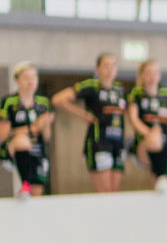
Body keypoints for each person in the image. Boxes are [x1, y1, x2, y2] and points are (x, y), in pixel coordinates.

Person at [52, 53, 129, 193]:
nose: (110, 69)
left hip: (117, 143)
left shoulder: (119, 89)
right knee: (105, 192)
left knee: (115, 191)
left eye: (113, 65)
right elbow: (58, 99)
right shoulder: (91, 86)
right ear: (97, 69)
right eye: (106, 65)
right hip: (99, 142)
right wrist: (83, 114)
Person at [127, 60, 167, 192]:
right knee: (156, 138)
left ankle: (162, 179)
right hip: (144, 145)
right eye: (149, 73)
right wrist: (149, 133)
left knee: (161, 184)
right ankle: (162, 176)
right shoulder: (136, 94)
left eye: (155, 72)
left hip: (165, 144)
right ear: (142, 75)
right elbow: (133, 119)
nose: (152, 76)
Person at [0, 62, 54, 198]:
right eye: (26, 78)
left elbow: (47, 137)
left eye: (34, 77)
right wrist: (32, 128)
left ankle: (29, 190)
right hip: (13, 149)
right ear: (17, 80)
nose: (31, 82)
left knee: (36, 195)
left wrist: (45, 124)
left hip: (37, 150)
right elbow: (4, 135)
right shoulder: (8, 102)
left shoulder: (43, 103)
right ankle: (25, 185)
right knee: (22, 141)